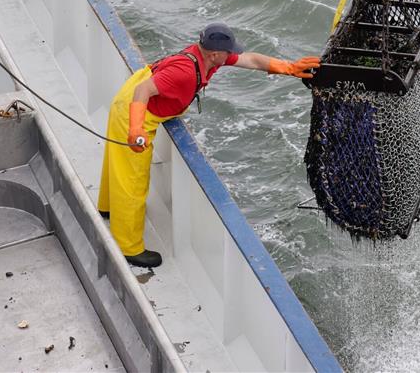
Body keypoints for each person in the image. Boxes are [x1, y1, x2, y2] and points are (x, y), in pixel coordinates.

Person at [97, 23, 320, 268]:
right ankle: (129, 247)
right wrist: (136, 128)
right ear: (214, 53)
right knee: (133, 179)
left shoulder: (207, 57)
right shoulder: (184, 71)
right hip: (134, 111)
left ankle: (109, 208)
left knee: (117, 164)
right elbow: (143, 91)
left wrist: (288, 67)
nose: (232, 55)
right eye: (228, 52)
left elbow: (252, 60)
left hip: (137, 96)